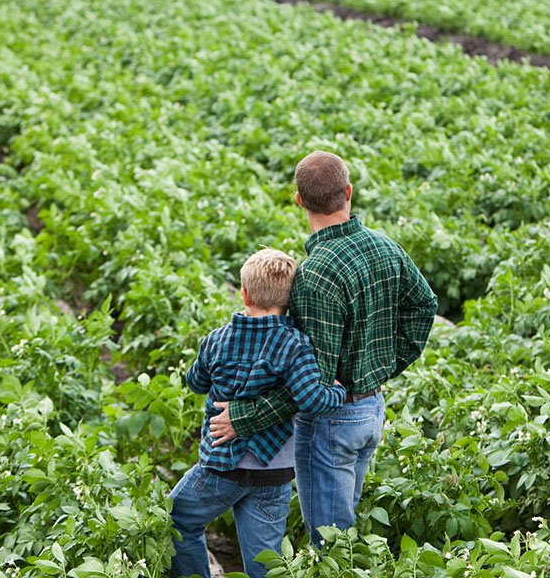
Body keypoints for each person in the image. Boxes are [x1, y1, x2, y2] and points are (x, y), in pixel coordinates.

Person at [208, 150, 438, 547]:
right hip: (371, 410)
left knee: (331, 543)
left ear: (299, 201)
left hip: (333, 421)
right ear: (348, 192)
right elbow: (425, 306)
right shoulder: (386, 247)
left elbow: (310, 388)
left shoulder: (314, 275)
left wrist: (242, 418)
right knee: (342, 532)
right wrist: (382, 367)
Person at [168, 248, 346, 578]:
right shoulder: (295, 344)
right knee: (264, 560)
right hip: (273, 471)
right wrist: (338, 390)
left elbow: (194, 382)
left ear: (244, 293)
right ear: (290, 300)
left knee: (175, 520)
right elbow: (312, 400)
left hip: (222, 466)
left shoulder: (218, 340)